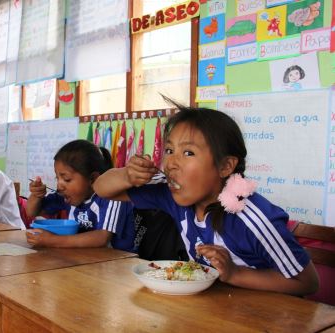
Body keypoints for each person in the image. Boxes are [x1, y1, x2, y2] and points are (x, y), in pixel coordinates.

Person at [93, 102, 319, 296]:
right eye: (169, 150)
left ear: (225, 166)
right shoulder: (171, 193)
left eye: (188, 153)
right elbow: (102, 189)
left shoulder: (252, 219)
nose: (171, 163)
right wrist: (126, 174)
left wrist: (235, 273)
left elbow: (307, 282)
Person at [26, 139, 136, 252]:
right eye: (57, 178)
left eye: (67, 179)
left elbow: (102, 238)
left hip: (118, 262)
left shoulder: (113, 196)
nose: (59, 186)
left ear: (92, 179)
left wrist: (51, 240)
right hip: (86, 259)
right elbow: (32, 212)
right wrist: (36, 195)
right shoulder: (69, 196)